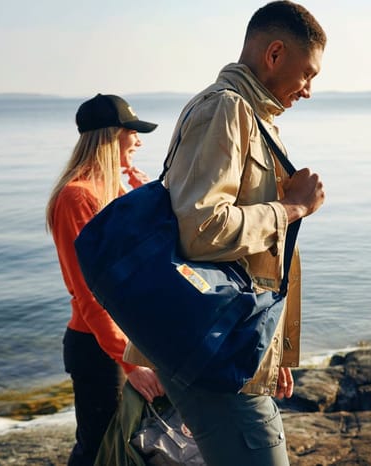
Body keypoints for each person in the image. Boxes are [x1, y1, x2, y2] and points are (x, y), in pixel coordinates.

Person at [132, 2, 327, 465]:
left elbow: (244, 260)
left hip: (231, 344)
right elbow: (201, 229)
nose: (309, 90)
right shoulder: (225, 109)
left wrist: (273, 351)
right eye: (308, 74)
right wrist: (292, 207)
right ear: (275, 54)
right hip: (214, 350)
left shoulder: (253, 117)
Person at [45, 93, 166, 466]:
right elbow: (90, 294)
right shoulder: (75, 198)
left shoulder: (113, 190)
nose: (140, 140)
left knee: (126, 446)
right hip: (98, 349)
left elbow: (151, 256)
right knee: (98, 450)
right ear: (113, 136)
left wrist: (148, 193)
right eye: (134, 132)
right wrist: (130, 363)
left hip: (125, 339)